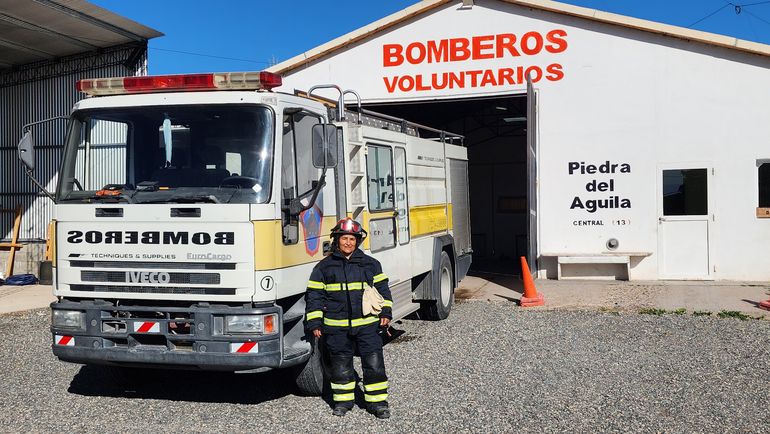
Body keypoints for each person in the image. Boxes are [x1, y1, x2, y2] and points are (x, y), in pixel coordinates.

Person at [304, 218, 393, 419]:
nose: (348, 243)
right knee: (341, 366)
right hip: (337, 329)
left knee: (374, 365)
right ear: (336, 240)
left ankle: (378, 404)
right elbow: (315, 296)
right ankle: (343, 402)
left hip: (368, 326)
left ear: (357, 241)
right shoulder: (323, 267)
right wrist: (315, 322)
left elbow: (383, 290)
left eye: (352, 239)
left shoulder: (371, 264)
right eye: (344, 238)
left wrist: (386, 312)